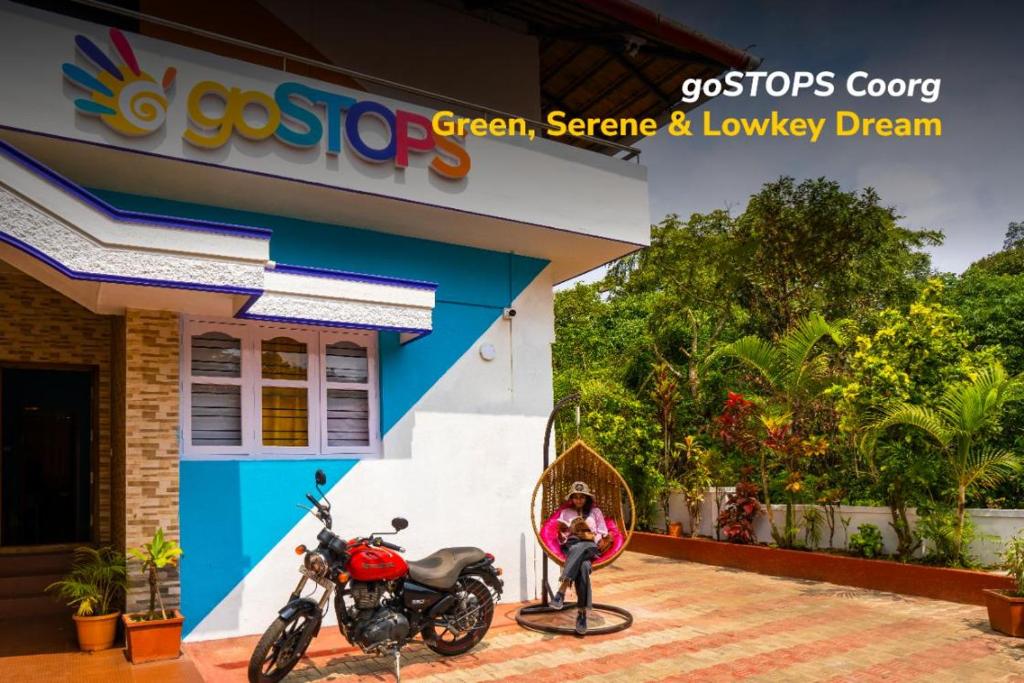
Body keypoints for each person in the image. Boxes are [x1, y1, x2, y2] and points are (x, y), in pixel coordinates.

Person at [549, 481, 611, 635]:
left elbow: (602, 533)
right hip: (572, 545)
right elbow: (562, 538)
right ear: (572, 498)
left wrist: (592, 535)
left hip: (591, 546)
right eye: (575, 497)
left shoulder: (595, 512)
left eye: (582, 497)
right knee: (583, 567)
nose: (578, 500)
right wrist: (564, 530)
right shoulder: (566, 513)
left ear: (587, 498)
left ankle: (562, 589)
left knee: (584, 545)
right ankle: (581, 614)